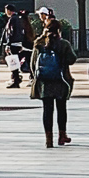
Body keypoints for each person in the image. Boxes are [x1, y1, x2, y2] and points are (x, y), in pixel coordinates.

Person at [32, 9, 75, 149]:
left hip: (45, 82)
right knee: (61, 108)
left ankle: (48, 139)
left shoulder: (39, 43)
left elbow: (33, 64)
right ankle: (62, 135)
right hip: (61, 81)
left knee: (47, 110)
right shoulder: (63, 44)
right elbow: (72, 59)